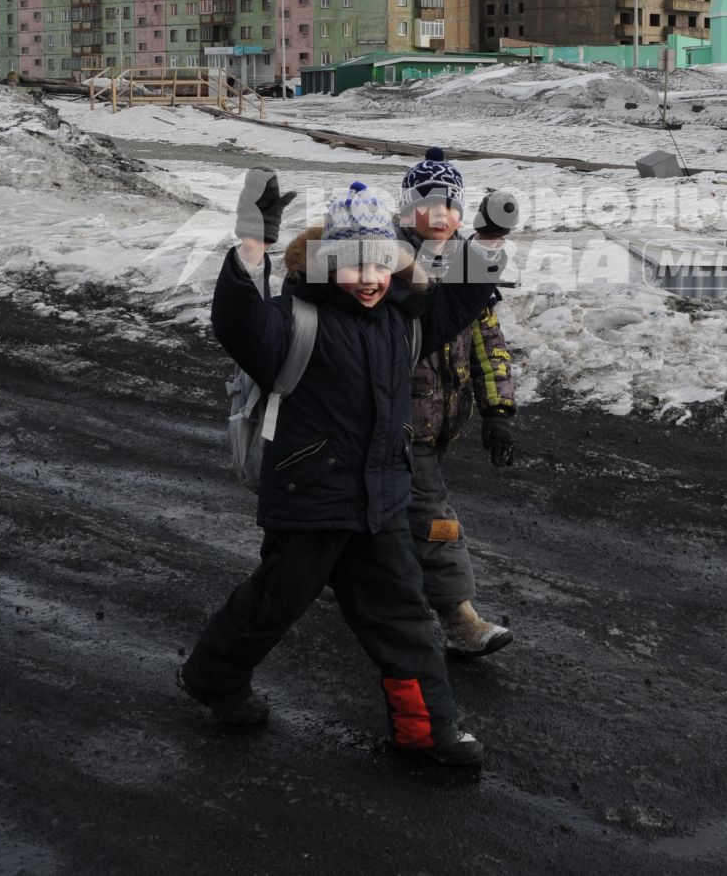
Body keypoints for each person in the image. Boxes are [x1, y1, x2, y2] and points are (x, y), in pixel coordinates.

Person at [180, 169, 504, 767]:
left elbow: (458, 302)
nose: (370, 279)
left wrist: (487, 242)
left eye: (382, 264)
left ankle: (425, 736)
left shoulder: (401, 321)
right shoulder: (295, 320)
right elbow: (238, 324)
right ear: (327, 264)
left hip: (381, 502)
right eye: (354, 265)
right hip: (311, 499)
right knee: (275, 603)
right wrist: (254, 245)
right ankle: (212, 677)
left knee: (403, 617)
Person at [397, 149, 520, 657]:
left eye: (450, 203)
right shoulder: (390, 265)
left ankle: (347, 574)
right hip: (399, 426)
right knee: (435, 517)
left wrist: (499, 410)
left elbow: (489, 344)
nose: (440, 214)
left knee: (383, 514)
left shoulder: (469, 261)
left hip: (439, 422)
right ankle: (459, 618)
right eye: (427, 203)